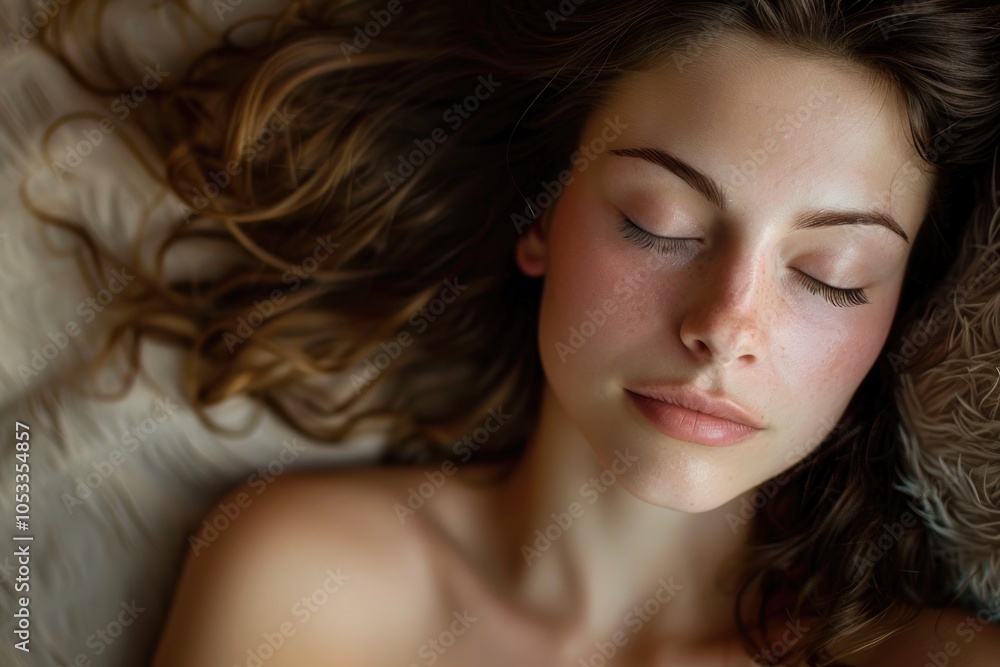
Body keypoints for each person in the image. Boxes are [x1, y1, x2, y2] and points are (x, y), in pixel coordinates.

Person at [38, 0, 1000, 665]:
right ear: (543, 214)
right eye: (660, 223)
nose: (723, 328)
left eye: (833, 277)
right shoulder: (310, 577)